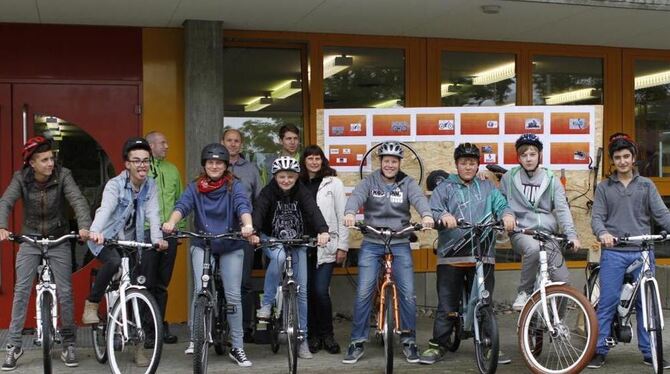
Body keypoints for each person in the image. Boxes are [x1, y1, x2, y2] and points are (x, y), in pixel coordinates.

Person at [418, 143, 515, 365]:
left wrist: (507, 215)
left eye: (472, 163)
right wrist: (443, 214)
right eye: (464, 163)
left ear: (477, 165)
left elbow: (502, 205)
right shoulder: (445, 187)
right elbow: (433, 209)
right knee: (447, 303)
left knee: (484, 301)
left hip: (483, 254)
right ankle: (438, 344)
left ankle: (490, 345)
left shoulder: (488, 187)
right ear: (457, 165)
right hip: (452, 254)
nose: (468, 167)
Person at [0, 136, 91, 371]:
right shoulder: (21, 178)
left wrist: (84, 227)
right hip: (30, 238)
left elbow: (78, 201)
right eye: (44, 160)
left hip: (58, 237)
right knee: (21, 290)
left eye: (52, 158)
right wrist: (1, 226)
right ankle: (13, 345)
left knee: (66, 291)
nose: (50, 163)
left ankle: (69, 343)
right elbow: (6, 202)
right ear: (32, 163)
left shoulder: (63, 175)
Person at [341, 141, 435, 365]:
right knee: (364, 291)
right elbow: (355, 197)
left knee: (408, 293)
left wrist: (427, 215)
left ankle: (409, 340)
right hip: (373, 241)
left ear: (399, 163)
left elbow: (420, 200)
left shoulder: (407, 182)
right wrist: (350, 212)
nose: (390, 165)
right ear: (380, 162)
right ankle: (357, 341)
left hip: (399, 240)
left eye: (394, 161)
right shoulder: (369, 181)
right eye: (386, 161)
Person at [162, 143, 254, 367]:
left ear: (225, 166)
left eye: (219, 162)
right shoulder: (195, 187)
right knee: (199, 290)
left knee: (232, 295)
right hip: (202, 242)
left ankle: (238, 347)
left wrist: (248, 225)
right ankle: (196, 339)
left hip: (231, 243)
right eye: (210, 162)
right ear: (204, 165)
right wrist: (171, 223)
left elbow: (243, 206)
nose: (214, 166)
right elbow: (182, 205)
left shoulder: (235, 186)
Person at [82, 137, 168, 367]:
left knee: (140, 287)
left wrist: (158, 240)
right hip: (106, 239)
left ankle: (139, 347)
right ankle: (92, 303)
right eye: (136, 160)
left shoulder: (149, 185)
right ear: (126, 164)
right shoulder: (115, 185)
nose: (142, 165)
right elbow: (105, 209)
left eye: (146, 161)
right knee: (112, 263)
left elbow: (154, 214)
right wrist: (96, 231)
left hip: (133, 242)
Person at [588, 133, 670, 369]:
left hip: (643, 251)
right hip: (614, 252)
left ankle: (650, 351)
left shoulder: (646, 185)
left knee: (647, 303)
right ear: (612, 161)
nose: (622, 161)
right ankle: (599, 349)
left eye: (626, 156)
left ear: (634, 158)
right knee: (608, 302)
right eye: (618, 157)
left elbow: (662, 215)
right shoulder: (605, 187)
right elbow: (597, 219)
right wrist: (603, 234)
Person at [248, 156, 330, 360]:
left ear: (296, 176)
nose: (286, 180)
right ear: (275, 176)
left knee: (301, 291)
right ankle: (267, 304)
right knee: (279, 257)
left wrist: (322, 230)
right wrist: (254, 231)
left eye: (290, 176)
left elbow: (313, 211)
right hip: (272, 238)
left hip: (299, 241)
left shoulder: (302, 191)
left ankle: (301, 340)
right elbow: (258, 212)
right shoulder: (268, 192)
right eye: (282, 176)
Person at [501, 133, 580, 312]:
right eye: (524, 155)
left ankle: (557, 323)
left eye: (532, 154)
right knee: (534, 249)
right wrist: (507, 215)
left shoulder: (551, 180)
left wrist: (572, 235)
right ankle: (524, 291)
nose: (528, 158)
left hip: (547, 235)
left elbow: (562, 209)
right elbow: (502, 203)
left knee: (563, 282)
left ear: (540, 155)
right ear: (518, 157)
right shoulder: (509, 178)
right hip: (522, 233)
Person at [299, 145, 349, 355]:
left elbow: (342, 215)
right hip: (302, 245)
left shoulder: (333, 183)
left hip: (327, 245)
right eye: (310, 158)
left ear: (322, 160)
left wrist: (343, 246)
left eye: (317, 158)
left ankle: (327, 335)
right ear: (304, 161)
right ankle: (311, 336)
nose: (314, 162)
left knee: (320, 291)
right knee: (306, 293)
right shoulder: (297, 182)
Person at [220, 128, 263, 342]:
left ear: (242, 144)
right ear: (222, 142)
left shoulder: (252, 170)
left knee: (244, 282)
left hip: (244, 234)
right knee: (219, 282)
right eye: (229, 140)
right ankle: (220, 328)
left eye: (237, 141)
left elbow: (259, 202)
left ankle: (246, 328)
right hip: (219, 233)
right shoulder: (215, 166)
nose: (233, 144)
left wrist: (255, 230)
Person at [142, 131, 183, 345]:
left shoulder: (173, 170)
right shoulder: (142, 169)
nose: (166, 146)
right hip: (148, 231)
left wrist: (180, 229)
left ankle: (159, 326)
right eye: (162, 143)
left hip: (171, 232)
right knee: (146, 282)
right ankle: (146, 330)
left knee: (162, 283)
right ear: (150, 146)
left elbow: (180, 201)